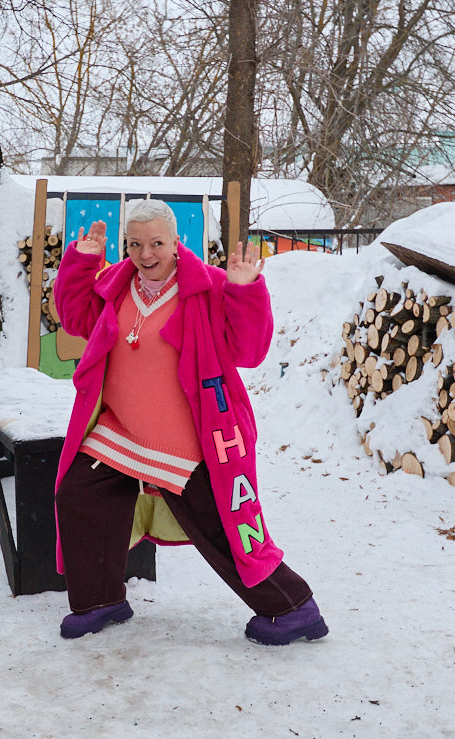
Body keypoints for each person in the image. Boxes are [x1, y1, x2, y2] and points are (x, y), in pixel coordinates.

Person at [51, 199, 328, 645]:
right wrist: (82, 263)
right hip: (118, 430)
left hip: (187, 441)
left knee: (224, 529)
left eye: (157, 243)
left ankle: (293, 609)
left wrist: (246, 289)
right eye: (136, 244)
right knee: (81, 494)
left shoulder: (209, 287)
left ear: (176, 242)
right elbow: (75, 317)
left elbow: (250, 351)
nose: (146, 254)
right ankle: (100, 599)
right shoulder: (116, 286)